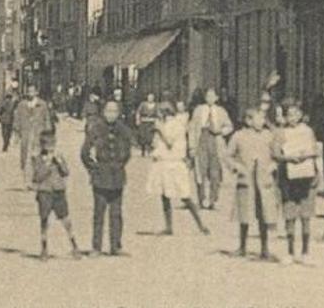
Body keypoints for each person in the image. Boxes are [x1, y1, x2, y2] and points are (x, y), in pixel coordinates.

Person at [226, 106, 281, 261]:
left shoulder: (269, 136)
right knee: (245, 214)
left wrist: (273, 166)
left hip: (264, 181)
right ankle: (242, 246)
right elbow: (228, 155)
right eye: (259, 118)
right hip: (247, 180)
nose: (262, 121)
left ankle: (264, 248)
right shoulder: (238, 136)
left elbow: (277, 155)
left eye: (263, 118)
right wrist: (237, 167)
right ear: (248, 120)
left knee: (264, 214)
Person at [146, 102, 209, 236]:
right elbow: (156, 144)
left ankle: (201, 225)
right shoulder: (164, 124)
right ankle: (169, 227)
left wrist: (160, 129)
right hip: (163, 163)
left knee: (184, 196)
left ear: (165, 113)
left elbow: (169, 141)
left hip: (174, 164)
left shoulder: (176, 124)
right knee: (164, 195)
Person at [274, 98, 323, 265]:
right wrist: (288, 157)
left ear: (301, 115)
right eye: (289, 115)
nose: (293, 118)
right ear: (285, 117)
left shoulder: (308, 131)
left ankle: (305, 251)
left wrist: (309, 158)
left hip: (306, 174)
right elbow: (275, 153)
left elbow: (315, 150)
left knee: (306, 215)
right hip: (288, 176)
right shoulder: (280, 132)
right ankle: (289, 251)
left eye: (296, 114)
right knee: (290, 214)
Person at [80, 100, 131, 256]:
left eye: (114, 111)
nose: (111, 114)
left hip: (117, 176)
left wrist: (120, 163)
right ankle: (96, 246)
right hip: (100, 177)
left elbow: (127, 151)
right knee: (99, 212)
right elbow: (84, 153)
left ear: (118, 113)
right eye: (108, 111)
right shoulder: (95, 129)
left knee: (116, 213)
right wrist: (93, 168)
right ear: (103, 112)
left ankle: (116, 246)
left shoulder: (123, 130)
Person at [32, 130, 80, 260]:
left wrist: (59, 162)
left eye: (52, 144)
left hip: (58, 191)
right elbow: (36, 177)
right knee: (44, 220)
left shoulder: (59, 157)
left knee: (66, 219)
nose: (50, 147)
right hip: (45, 192)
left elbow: (66, 172)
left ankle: (74, 245)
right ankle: (44, 248)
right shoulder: (37, 159)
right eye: (47, 144)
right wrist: (47, 165)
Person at [188, 88, 232, 210]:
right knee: (200, 171)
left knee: (215, 172)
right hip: (201, 140)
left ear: (216, 98)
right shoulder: (198, 110)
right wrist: (191, 146)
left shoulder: (221, 111)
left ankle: (213, 199)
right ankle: (202, 199)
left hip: (216, 141)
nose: (210, 98)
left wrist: (221, 131)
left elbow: (229, 126)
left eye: (212, 96)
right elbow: (191, 128)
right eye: (208, 96)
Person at [14, 85, 52, 186]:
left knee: (37, 157)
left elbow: (47, 120)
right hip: (26, 134)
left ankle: (36, 179)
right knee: (25, 158)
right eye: (28, 91)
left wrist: (48, 136)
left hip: (38, 135)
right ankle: (27, 181)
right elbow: (17, 119)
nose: (30, 93)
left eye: (32, 91)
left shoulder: (42, 105)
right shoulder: (21, 105)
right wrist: (17, 134)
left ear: (36, 92)